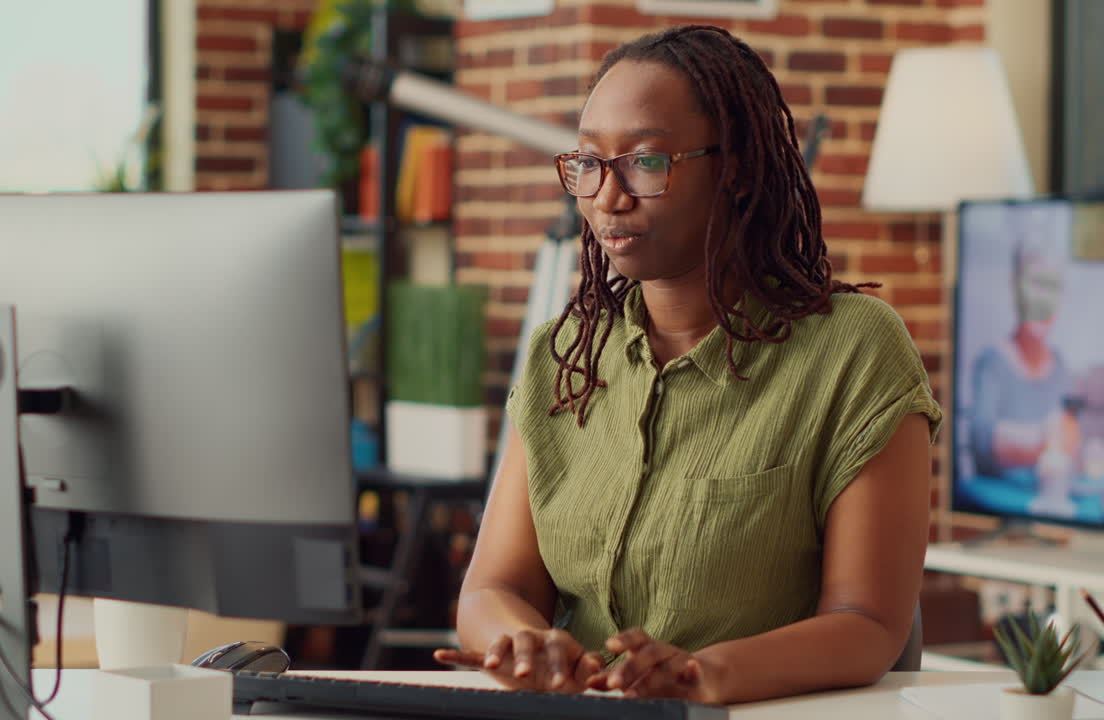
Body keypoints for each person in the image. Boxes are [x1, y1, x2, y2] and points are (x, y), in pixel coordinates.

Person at [432, 25, 941, 705]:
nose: (607, 196)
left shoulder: (854, 351)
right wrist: (524, 641)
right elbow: (496, 588)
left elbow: (868, 625)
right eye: (588, 162)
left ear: (736, 168)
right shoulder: (565, 354)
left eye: (644, 162)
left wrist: (704, 676)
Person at [965, 222, 1078, 518]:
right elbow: (983, 444)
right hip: (997, 515)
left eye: (1051, 286)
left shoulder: (1061, 369)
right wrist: (1045, 439)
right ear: (1016, 286)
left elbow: (1071, 446)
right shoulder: (991, 364)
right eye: (1034, 283)